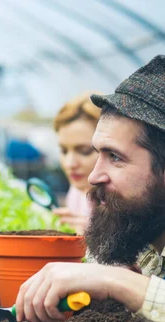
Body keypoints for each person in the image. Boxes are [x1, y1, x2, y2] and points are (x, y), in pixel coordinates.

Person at [15, 55, 165, 322]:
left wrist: (116, 281)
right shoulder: (152, 234)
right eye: (98, 153)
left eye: (115, 157)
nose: (93, 175)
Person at [51, 92, 101, 234]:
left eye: (85, 151)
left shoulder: (127, 204)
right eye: (64, 151)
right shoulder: (76, 192)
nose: (70, 164)